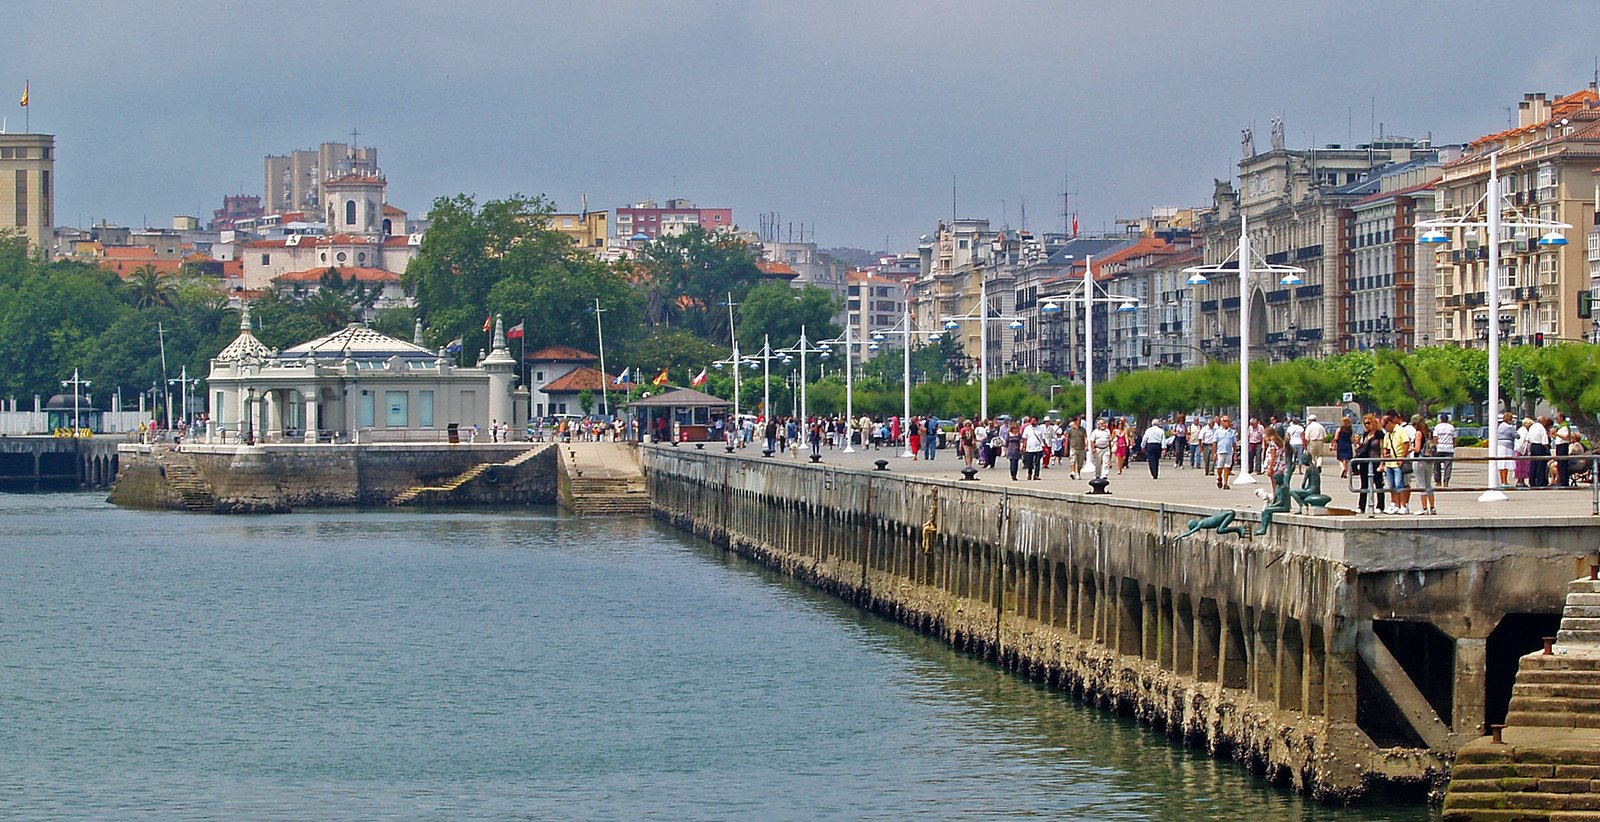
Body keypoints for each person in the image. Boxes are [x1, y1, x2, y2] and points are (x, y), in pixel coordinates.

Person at [1382, 413, 1413, 515]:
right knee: (1392, 486)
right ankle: (1395, 504)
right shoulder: (1388, 434)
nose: (1384, 429)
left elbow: (1406, 444)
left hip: (1398, 463)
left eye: (1384, 426)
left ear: (1390, 423)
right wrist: (1385, 454)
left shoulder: (1400, 430)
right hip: (1389, 463)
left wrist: (1402, 458)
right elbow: (1385, 447)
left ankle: (1403, 506)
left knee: (1400, 485)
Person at [1356, 413, 1386, 515]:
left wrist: (1382, 463)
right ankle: (1361, 506)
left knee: (1378, 484)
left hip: (1375, 461)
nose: (1367, 425)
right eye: (1365, 423)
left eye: (1368, 423)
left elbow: (1382, 449)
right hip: (1365, 462)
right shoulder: (1365, 435)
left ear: (1373, 423)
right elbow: (1362, 448)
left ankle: (1380, 506)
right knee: (1364, 484)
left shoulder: (1379, 435)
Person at [1411, 414, 1437, 515]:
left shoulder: (1418, 433)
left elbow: (1417, 448)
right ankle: (1432, 507)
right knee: (1428, 484)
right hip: (1429, 460)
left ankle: (1424, 508)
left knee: (1421, 484)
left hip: (1419, 460)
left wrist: (1411, 448)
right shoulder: (1428, 432)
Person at [1214, 415, 1238, 490]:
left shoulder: (1232, 432)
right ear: (1221, 422)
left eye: (1227, 421)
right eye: (1225, 421)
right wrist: (1214, 453)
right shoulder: (1218, 431)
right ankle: (1219, 477)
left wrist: (1235, 453)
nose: (1226, 422)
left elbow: (1234, 443)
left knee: (1227, 468)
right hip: (1220, 451)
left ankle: (1225, 483)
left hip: (1229, 452)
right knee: (1220, 467)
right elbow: (1214, 442)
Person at [1527, 415, 1551, 488]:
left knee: (1533, 465)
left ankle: (1532, 481)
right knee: (1540, 465)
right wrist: (1547, 448)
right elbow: (1545, 441)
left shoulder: (1532, 427)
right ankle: (1540, 482)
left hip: (1532, 446)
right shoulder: (1541, 428)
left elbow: (1528, 438)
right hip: (1539, 446)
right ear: (1543, 421)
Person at [1433, 413, 1456, 487]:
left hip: (1439, 447)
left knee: (1437, 466)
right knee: (1448, 466)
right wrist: (1453, 445)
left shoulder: (1437, 427)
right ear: (1447, 419)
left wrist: (1435, 445)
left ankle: (1438, 481)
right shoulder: (1451, 427)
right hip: (1449, 448)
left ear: (1441, 419)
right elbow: (1454, 438)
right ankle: (1446, 481)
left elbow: (1435, 437)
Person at [1552, 412, 1575, 487]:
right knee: (1559, 464)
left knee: (1562, 464)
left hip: (1563, 446)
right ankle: (1560, 480)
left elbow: (1565, 437)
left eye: (1557, 418)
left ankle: (1564, 481)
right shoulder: (1560, 426)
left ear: (1561, 418)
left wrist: (1557, 434)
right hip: (1559, 446)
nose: (1556, 420)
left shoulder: (1564, 426)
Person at [1496, 412, 1517, 488]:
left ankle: (1502, 480)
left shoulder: (1500, 426)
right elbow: (1516, 435)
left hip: (1499, 445)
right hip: (1507, 445)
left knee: (1501, 463)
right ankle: (1505, 481)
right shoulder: (1510, 427)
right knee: (1506, 464)